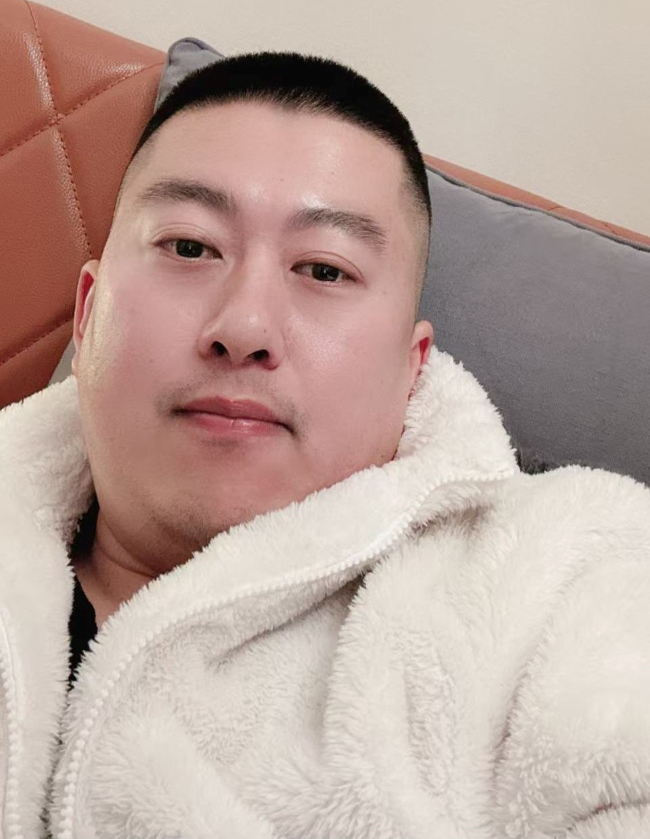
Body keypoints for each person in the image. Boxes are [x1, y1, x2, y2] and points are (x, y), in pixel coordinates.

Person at [1, 52, 649, 839]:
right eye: (190, 247)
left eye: (324, 269)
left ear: (411, 368)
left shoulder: (569, 571)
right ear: (88, 313)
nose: (244, 327)